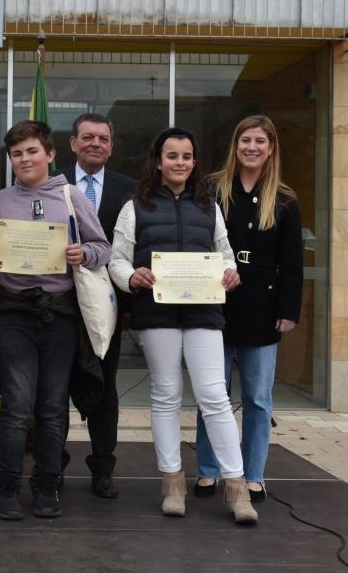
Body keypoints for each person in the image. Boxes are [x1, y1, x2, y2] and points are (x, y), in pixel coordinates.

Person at [107, 127, 257, 524]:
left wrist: (230, 272)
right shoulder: (134, 206)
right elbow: (116, 259)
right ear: (158, 162)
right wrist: (131, 276)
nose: (180, 163)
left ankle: (236, 485)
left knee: (214, 396)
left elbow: (225, 254)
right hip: (156, 313)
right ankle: (172, 481)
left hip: (204, 311)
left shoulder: (209, 205)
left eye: (187, 156)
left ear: (194, 162)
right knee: (166, 394)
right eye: (172, 156)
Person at [0, 120, 111, 520]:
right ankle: (5, 487)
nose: (24, 159)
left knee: (53, 406)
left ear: (51, 154)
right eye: (16, 154)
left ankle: (47, 484)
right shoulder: (1, 200)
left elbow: (102, 247)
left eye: (32, 151)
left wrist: (81, 255)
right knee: (17, 405)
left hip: (61, 315)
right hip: (14, 313)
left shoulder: (71, 196)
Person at [195, 115, 303, 502]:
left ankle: (253, 473)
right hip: (215, 305)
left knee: (258, 397)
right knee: (214, 394)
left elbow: (292, 262)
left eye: (260, 141)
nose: (252, 147)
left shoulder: (285, 199)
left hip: (262, 306)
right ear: (235, 145)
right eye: (245, 140)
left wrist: (289, 311)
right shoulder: (210, 188)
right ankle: (208, 470)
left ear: (271, 147)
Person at [55, 113, 137, 499]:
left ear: (111, 146)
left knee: (104, 390)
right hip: (55, 305)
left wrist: (129, 308)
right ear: (72, 143)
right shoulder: (51, 183)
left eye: (103, 138)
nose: (95, 144)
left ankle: (103, 468)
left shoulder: (130, 189)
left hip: (107, 307)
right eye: (87, 137)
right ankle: (52, 465)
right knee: (54, 390)